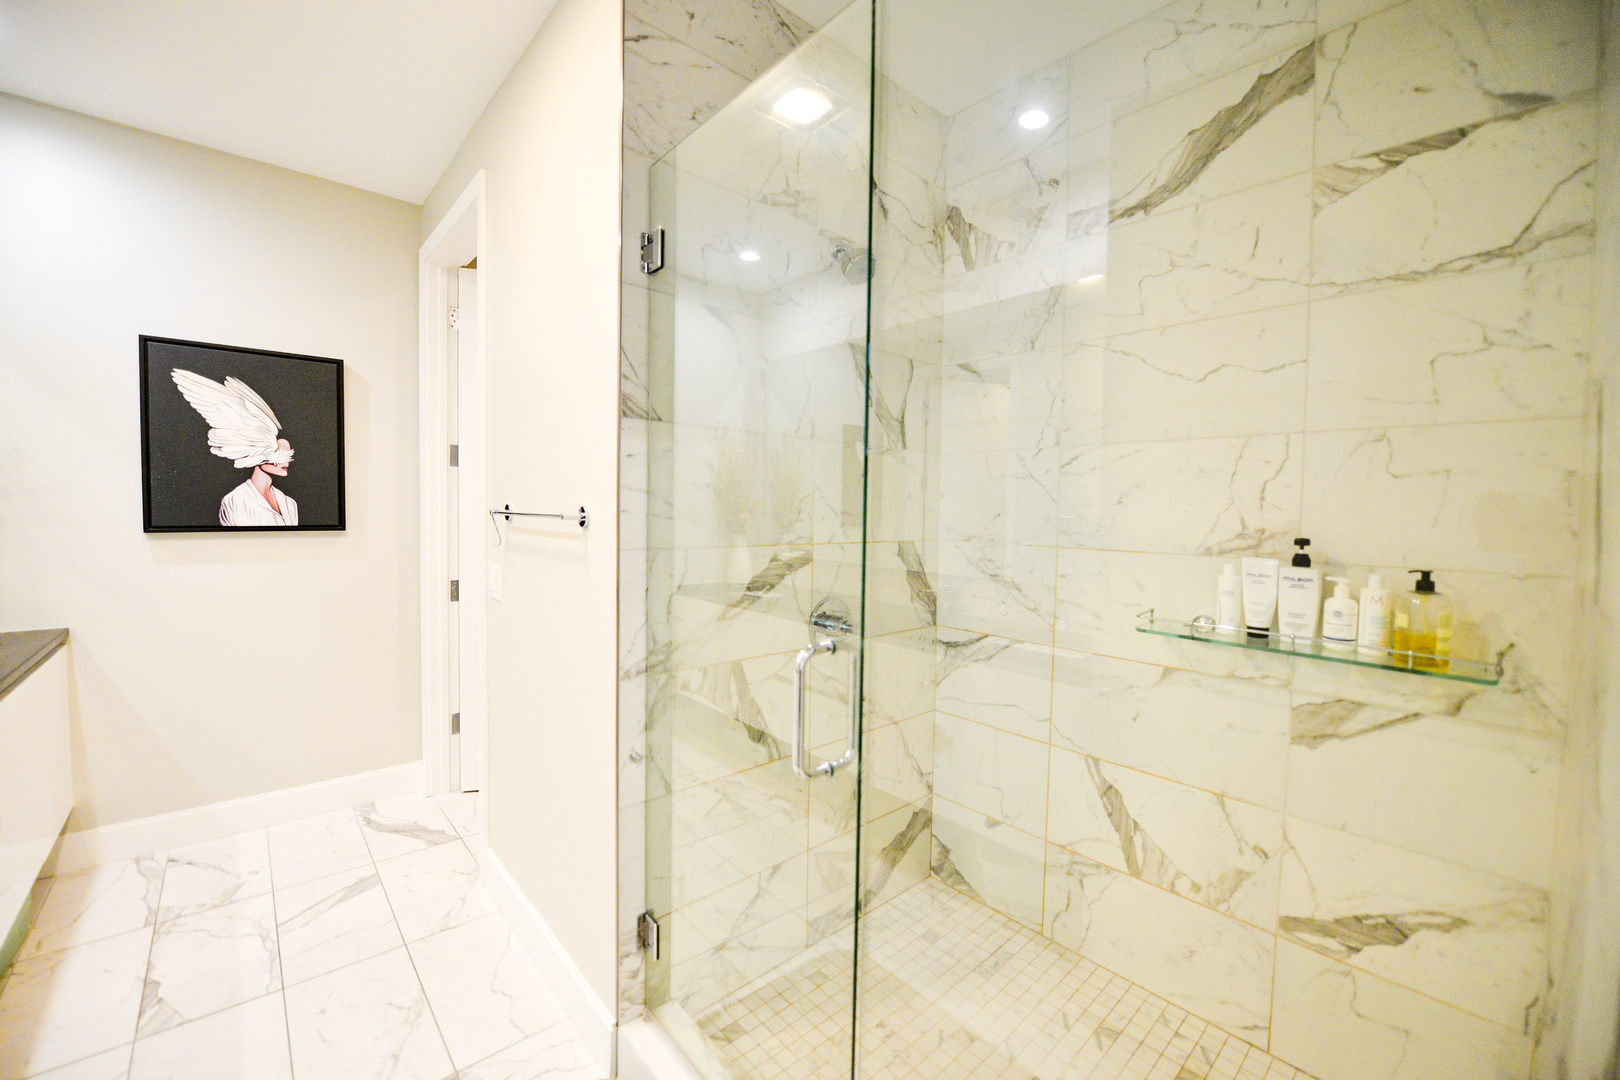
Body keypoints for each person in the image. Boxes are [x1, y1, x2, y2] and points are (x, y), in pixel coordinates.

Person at [170, 369, 300, 526]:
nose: (285, 463)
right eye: (280, 455)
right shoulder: (236, 500)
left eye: (288, 456)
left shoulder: (289, 504)